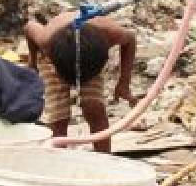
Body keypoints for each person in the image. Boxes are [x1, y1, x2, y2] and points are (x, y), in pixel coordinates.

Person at [24, 13, 139, 153]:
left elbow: (130, 40)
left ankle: (104, 158)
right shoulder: (46, 40)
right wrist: (32, 62)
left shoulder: (110, 33)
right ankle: (57, 157)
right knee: (58, 114)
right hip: (54, 59)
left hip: (88, 57)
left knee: (95, 108)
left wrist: (124, 83)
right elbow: (30, 27)